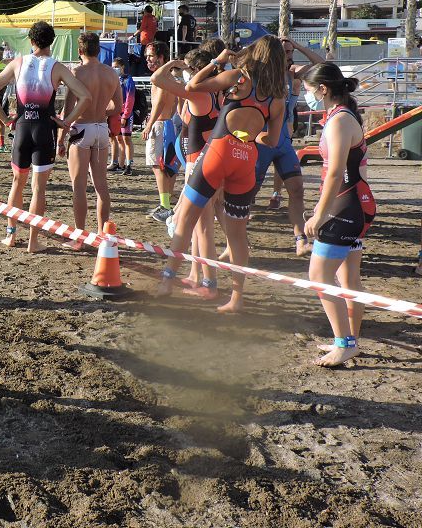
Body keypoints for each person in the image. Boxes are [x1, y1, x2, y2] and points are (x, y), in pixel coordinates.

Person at [155, 38, 287, 312]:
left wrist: (217, 61)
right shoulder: (277, 100)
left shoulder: (239, 78)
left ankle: (167, 281)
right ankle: (236, 299)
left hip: (218, 152)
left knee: (186, 221)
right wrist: (250, 135)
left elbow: (193, 86)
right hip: (246, 159)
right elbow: (271, 140)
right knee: (237, 236)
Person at [0, 21, 92, 252]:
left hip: (22, 129)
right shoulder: (58, 67)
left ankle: (10, 235)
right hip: (45, 130)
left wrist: (4, 119)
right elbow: (85, 97)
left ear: (31, 41)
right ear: (51, 41)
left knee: (17, 183)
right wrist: (66, 121)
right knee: (38, 189)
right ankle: (33, 241)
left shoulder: (18, 62)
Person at [301, 62, 375, 367]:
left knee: (319, 276)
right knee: (348, 278)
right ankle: (348, 339)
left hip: (344, 207)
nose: (305, 96)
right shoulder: (339, 116)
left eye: (307, 91)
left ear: (323, 89)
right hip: (352, 204)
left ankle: (345, 344)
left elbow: (334, 173)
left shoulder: (339, 121)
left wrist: (319, 215)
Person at [151, 47, 222, 297]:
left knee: (198, 227)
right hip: (211, 160)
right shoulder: (216, 92)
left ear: (192, 70)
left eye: (185, 70)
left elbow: (156, 79)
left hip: (198, 164)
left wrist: (172, 62)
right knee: (199, 226)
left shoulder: (197, 92)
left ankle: (209, 284)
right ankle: (197, 275)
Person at [255, 38, 325, 257]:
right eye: (285, 52)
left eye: (290, 52)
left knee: (297, 190)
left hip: (283, 141)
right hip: (262, 140)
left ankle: (300, 239)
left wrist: (297, 45)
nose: (289, 55)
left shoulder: (291, 73)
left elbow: (319, 64)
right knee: (247, 194)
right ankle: (233, 240)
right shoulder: (258, 74)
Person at [60, 32, 122, 233]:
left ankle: (80, 234)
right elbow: (118, 106)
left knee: (79, 186)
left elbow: (68, 109)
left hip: (81, 128)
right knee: (101, 186)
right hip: (101, 129)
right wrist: (101, 110)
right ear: (99, 50)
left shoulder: (77, 73)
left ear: (79, 51)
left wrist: (60, 138)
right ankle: (103, 234)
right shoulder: (111, 73)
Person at [142, 42, 181, 221]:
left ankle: (165, 206)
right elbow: (175, 105)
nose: (148, 60)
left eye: (151, 56)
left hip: (159, 125)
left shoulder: (160, 78)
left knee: (157, 165)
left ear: (161, 57)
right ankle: (166, 204)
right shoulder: (172, 78)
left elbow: (158, 103)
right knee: (167, 167)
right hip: (169, 125)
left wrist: (149, 124)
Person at [109, 57, 136, 175]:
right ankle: (119, 164)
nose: (114, 69)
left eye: (116, 67)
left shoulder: (128, 80)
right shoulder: (113, 80)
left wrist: (125, 115)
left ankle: (129, 164)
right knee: (118, 138)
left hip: (126, 114)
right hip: (115, 114)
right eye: (113, 67)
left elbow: (130, 99)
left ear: (122, 67)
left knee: (126, 138)